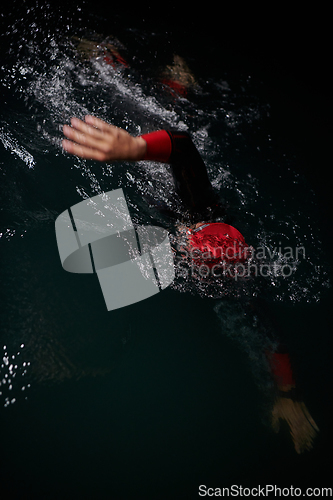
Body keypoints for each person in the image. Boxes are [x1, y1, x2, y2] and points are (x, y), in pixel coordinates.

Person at [62, 115, 319, 453]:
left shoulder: (238, 282)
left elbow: (271, 334)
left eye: (188, 255)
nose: (181, 244)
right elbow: (182, 146)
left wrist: (287, 394)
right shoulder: (200, 205)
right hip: (150, 145)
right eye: (187, 244)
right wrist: (136, 147)